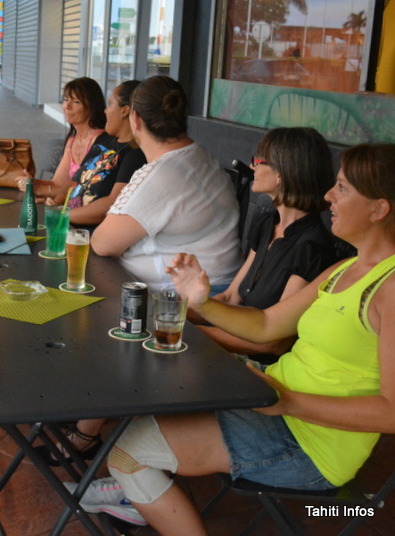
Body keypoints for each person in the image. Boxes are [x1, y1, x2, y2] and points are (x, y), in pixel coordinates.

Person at [75, 143, 395, 536]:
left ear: (380, 209)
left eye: (342, 188)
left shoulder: (390, 288)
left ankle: (139, 489)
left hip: (311, 443)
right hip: (271, 394)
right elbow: (264, 325)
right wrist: (202, 301)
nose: (328, 194)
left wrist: (288, 401)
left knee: (127, 452)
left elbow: (391, 412)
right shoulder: (346, 266)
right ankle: (142, 493)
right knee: (145, 396)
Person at [191, 127, 339, 363]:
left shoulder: (312, 248)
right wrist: (175, 313)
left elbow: (275, 343)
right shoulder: (267, 222)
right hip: (228, 347)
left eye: (259, 161)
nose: (253, 167)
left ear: (282, 172)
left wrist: (198, 335)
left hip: (261, 367)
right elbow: (231, 298)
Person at [91, 75, 242, 293]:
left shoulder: (161, 175)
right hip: (216, 286)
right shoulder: (199, 156)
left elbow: (102, 243)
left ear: (135, 119)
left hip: (185, 301)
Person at [27, 80, 146, 228]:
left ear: (125, 110)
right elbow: (74, 181)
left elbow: (113, 203)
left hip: (82, 233)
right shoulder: (104, 141)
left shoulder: (135, 154)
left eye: (110, 104)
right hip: (65, 223)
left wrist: (62, 215)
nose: (105, 110)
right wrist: (57, 202)